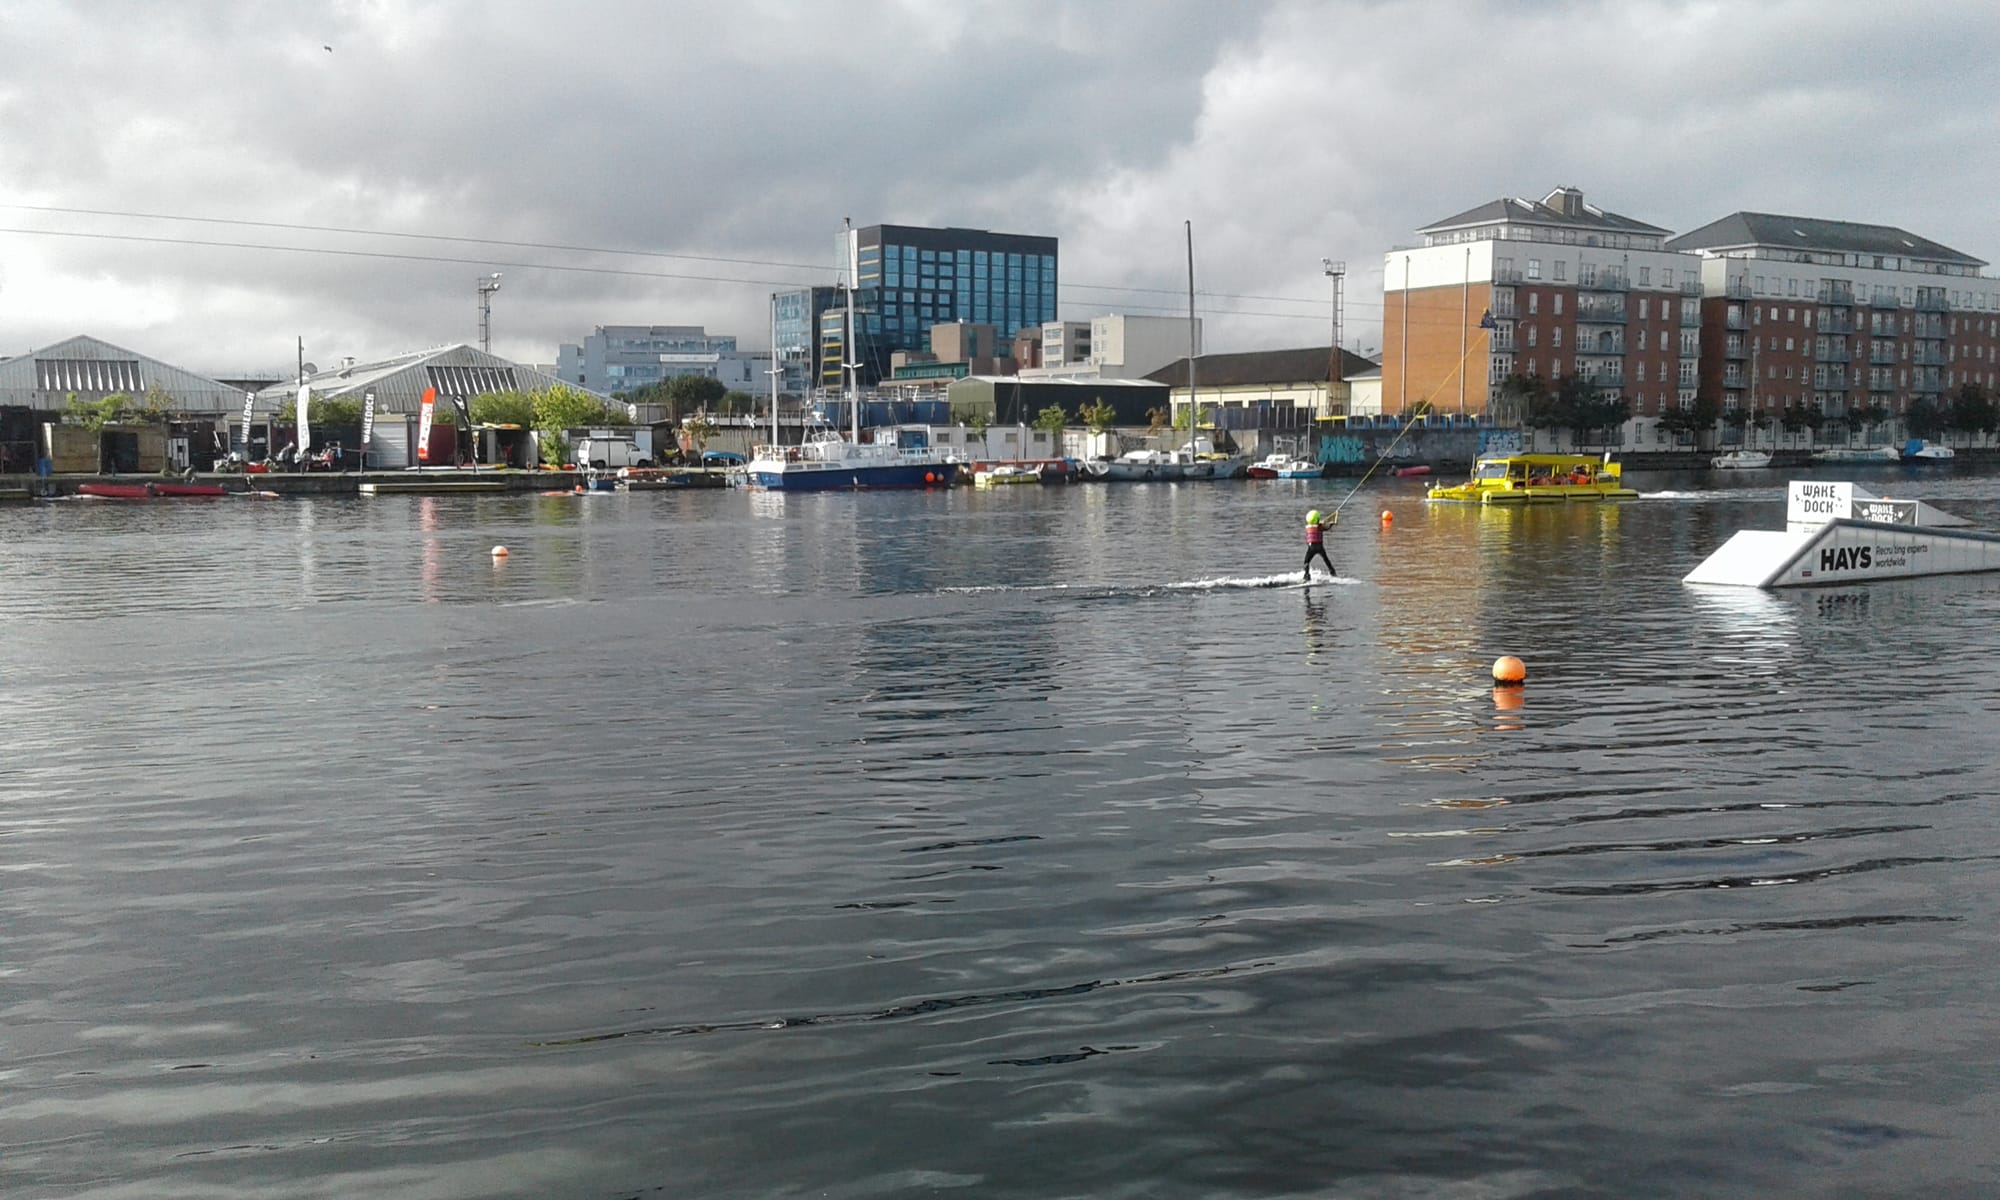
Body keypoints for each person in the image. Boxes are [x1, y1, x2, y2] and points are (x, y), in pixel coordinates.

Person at [1303, 509, 1336, 581]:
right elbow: (1326, 527)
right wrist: (1330, 524)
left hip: (1311, 547)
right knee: (1326, 560)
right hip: (1320, 547)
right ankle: (1332, 572)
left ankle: (1306, 576)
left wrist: (1321, 523)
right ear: (1317, 519)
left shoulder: (1307, 527)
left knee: (1306, 562)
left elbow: (1317, 525)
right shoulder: (1320, 526)